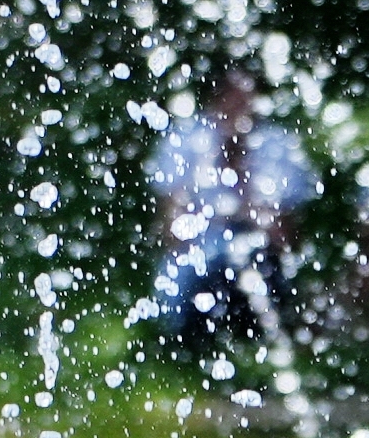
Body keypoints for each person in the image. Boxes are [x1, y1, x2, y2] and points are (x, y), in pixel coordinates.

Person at [137, 65, 321, 358]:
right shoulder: (185, 141)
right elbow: (171, 229)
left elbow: (284, 235)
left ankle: (256, 346)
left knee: (254, 265)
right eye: (232, 98)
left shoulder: (277, 145)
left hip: (256, 252)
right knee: (198, 274)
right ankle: (189, 350)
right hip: (197, 253)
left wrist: (242, 183)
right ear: (215, 98)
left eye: (247, 98)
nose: (239, 107)